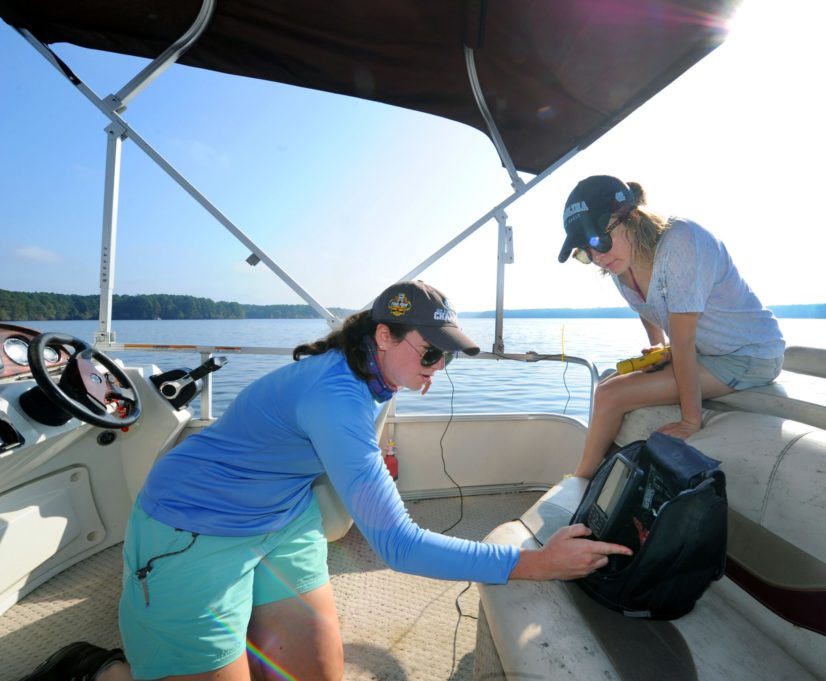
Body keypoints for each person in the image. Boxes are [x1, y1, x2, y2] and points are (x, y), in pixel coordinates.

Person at [21, 280, 632, 681]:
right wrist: (537, 564)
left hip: (283, 517)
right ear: (383, 336)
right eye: (429, 354)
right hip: (192, 529)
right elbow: (397, 544)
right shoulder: (336, 397)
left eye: (447, 356)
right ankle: (105, 670)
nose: (436, 371)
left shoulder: (370, 378)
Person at [558, 176, 785, 479]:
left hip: (751, 355)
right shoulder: (620, 264)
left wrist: (690, 422)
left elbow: (684, 340)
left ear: (633, 218)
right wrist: (658, 345)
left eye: (600, 239)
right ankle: (591, 476)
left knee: (610, 396)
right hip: (710, 353)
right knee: (609, 383)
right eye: (586, 252)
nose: (598, 257)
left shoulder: (681, 242)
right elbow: (647, 305)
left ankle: (579, 481)